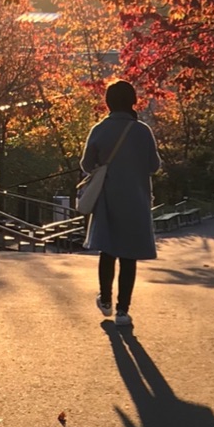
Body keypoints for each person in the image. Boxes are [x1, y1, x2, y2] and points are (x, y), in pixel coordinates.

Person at [80, 80, 161, 332]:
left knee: (108, 250)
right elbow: (154, 166)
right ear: (132, 102)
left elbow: (86, 164)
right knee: (128, 255)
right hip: (135, 200)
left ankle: (105, 300)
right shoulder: (142, 131)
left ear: (108, 102)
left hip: (107, 198)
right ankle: (123, 310)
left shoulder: (99, 129)